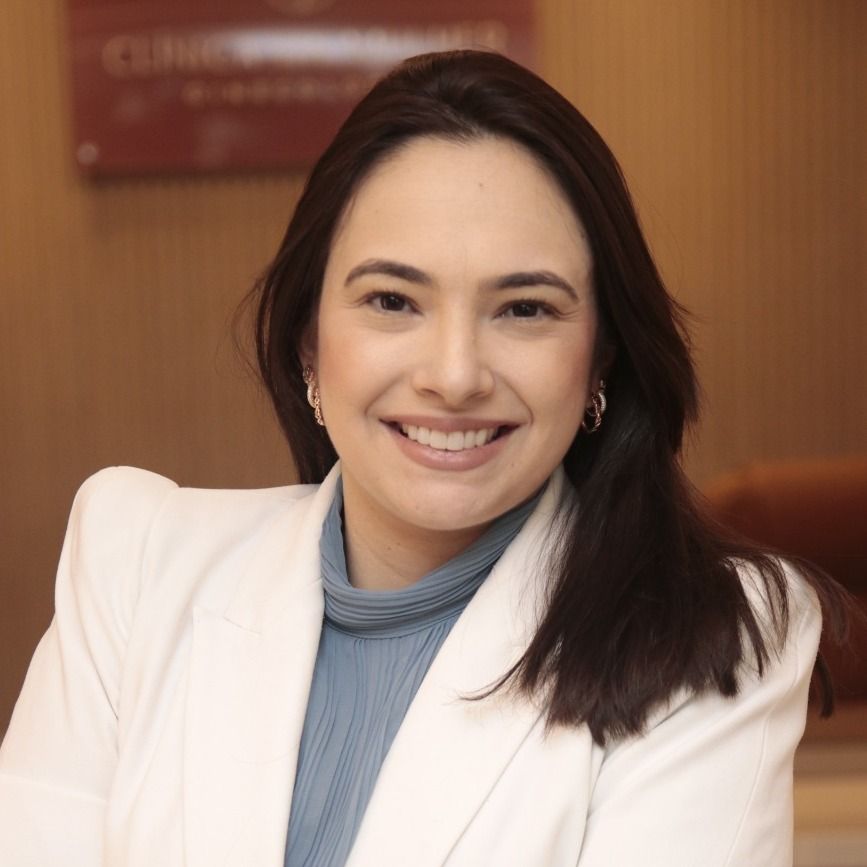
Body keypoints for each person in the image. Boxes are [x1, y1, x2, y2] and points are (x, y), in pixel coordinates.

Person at [0, 50, 845, 867]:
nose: (453, 375)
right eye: (392, 300)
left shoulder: (706, 633)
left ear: (600, 359)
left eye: (523, 308)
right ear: (307, 341)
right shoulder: (135, 564)